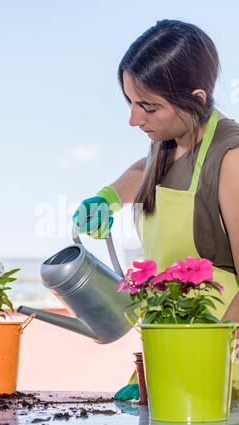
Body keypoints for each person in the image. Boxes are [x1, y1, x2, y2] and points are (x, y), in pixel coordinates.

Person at [73, 19, 239, 400]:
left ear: (195, 99)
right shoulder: (169, 139)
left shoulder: (230, 158)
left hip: (219, 365)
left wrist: (204, 361)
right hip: (171, 351)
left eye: (147, 106)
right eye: (130, 101)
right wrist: (109, 197)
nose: (134, 119)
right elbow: (143, 172)